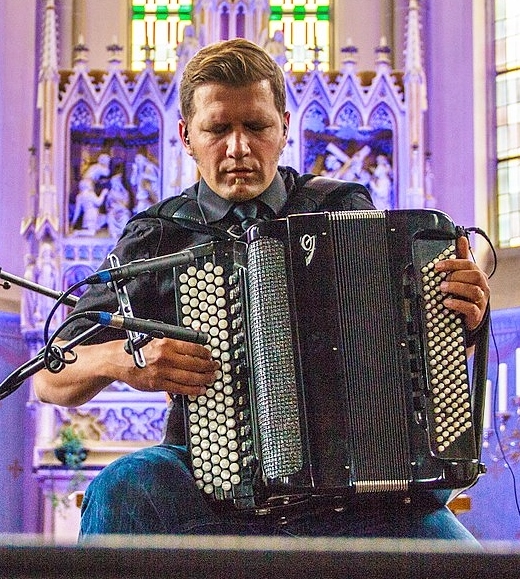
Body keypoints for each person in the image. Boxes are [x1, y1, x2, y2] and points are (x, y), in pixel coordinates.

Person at [33, 38, 490, 541]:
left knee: (456, 555)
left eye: (256, 126)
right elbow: (50, 378)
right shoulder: (160, 234)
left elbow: (415, 349)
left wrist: (461, 313)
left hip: (357, 490)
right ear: (186, 136)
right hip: (209, 488)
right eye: (217, 129)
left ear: (285, 128)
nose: (238, 148)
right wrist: (125, 361)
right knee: (122, 488)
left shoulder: (343, 208)